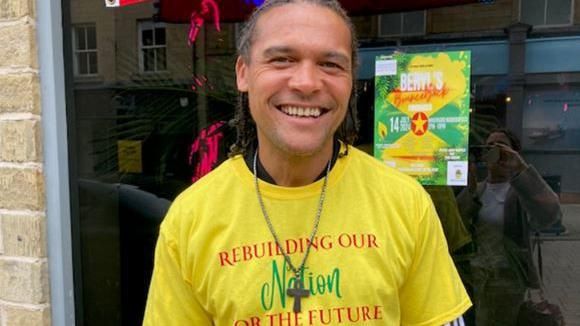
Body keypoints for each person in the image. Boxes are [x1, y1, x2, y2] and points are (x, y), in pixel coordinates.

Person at [143, 1, 471, 325]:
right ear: (243, 73)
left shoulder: (406, 203)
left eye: (330, 65)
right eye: (282, 60)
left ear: (350, 81)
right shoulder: (190, 219)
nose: (307, 82)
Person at [457, 128, 562, 325]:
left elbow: (551, 214)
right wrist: (469, 191)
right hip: (476, 279)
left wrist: (521, 168)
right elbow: (457, 227)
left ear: (514, 152)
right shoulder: (478, 189)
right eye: (488, 147)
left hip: (507, 280)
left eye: (501, 146)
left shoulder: (520, 190)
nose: (494, 151)